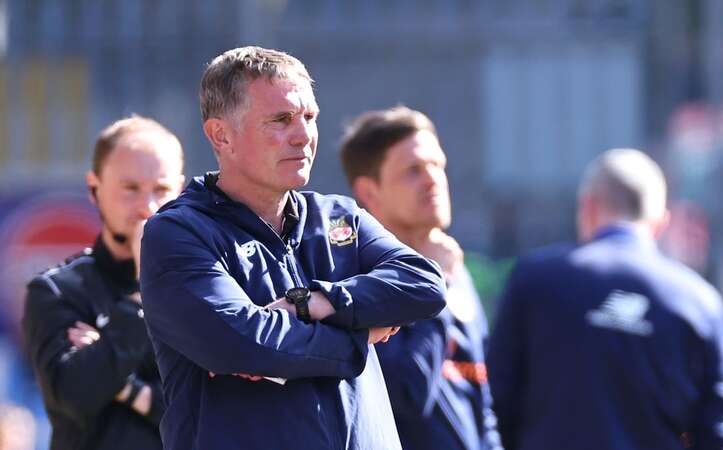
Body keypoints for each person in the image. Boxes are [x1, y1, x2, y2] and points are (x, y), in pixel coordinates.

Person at [138, 47, 447, 450]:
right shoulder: (178, 234)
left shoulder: (339, 218)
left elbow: (425, 283)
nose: (303, 135)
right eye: (281, 120)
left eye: (309, 117)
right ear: (221, 135)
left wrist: (315, 303)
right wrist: (359, 335)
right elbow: (246, 342)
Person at [487, 148, 723, 450]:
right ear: (661, 222)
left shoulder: (534, 279)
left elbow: (496, 401)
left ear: (588, 206)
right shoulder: (700, 302)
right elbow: (719, 430)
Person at [339, 106, 503, 450]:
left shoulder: (454, 268)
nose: (433, 180)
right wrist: (435, 283)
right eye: (413, 170)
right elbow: (405, 394)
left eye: (437, 165)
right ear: (369, 193)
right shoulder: (361, 281)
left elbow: (480, 398)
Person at [22, 116, 185, 449]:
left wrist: (127, 387)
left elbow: (213, 409)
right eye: (130, 189)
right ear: (94, 189)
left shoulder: (203, 286)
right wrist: (144, 291)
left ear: (180, 191)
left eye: (161, 189)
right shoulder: (57, 291)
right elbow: (73, 395)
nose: (147, 207)